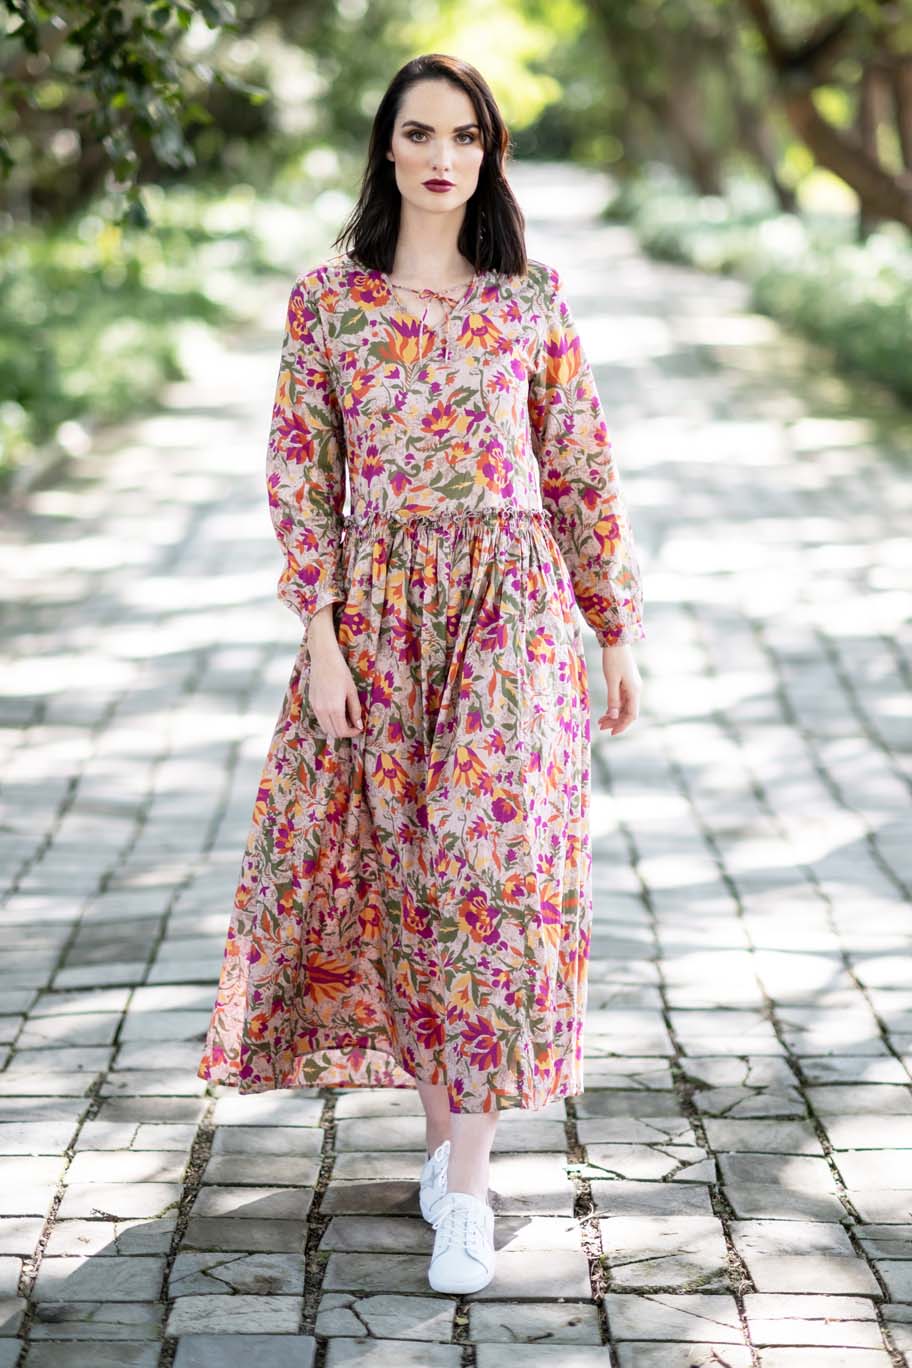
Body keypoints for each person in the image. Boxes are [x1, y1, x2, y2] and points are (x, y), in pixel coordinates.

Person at [197, 52, 646, 1296]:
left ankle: (469, 1184)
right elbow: (301, 475)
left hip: (509, 617)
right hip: (380, 622)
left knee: (482, 878)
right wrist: (321, 637)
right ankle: (447, 1158)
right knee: (408, 885)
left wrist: (613, 627)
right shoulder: (329, 304)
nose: (443, 157)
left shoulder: (530, 298)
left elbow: (579, 467)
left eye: (465, 136)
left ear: (489, 155)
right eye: (419, 134)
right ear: (386, 149)